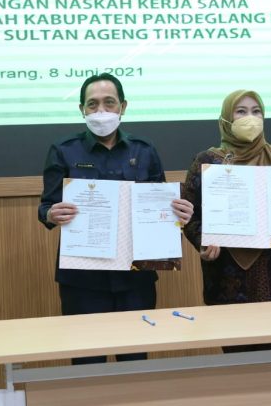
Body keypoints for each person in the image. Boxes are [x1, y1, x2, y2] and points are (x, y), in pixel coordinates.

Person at [38, 73, 194, 364]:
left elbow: (160, 207)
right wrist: (50, 213)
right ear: (82, 109)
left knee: (134, 361)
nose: (101, 111)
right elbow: (46, 206)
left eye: (109, 103)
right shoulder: (63, 150)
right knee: (86, 362)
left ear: (123, 106)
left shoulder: (144, 150)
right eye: (92, 104)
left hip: (135, 278)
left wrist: (177, 214)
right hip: (82, 279)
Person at [182, 89, 271, 353]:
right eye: (240, 112)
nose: (250, 118)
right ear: (226, 120)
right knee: (239, 363)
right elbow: (190, 214)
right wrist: (203, 243)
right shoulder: (208, 162)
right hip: (229, 278)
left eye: (256, 111)